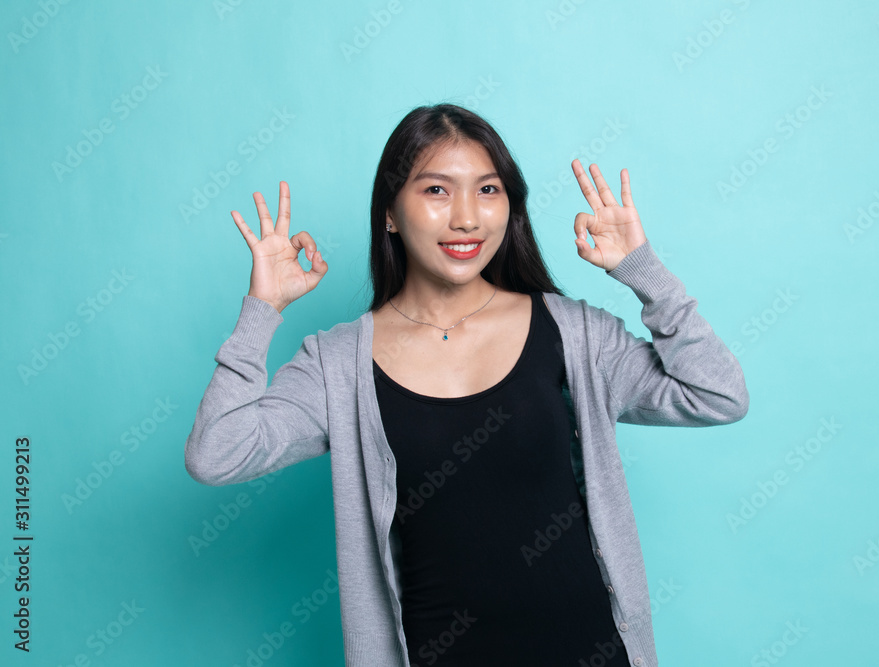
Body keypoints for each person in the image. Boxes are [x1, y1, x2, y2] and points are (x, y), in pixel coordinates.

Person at [185, 103, 749, 667]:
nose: (466, 218)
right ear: (389, 213)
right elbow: (216, 455)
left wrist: (644, 272)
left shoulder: (572, 333)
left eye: (487, 190)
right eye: (436, 190)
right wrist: (262, 310)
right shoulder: (339, 364)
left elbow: (717, 395)